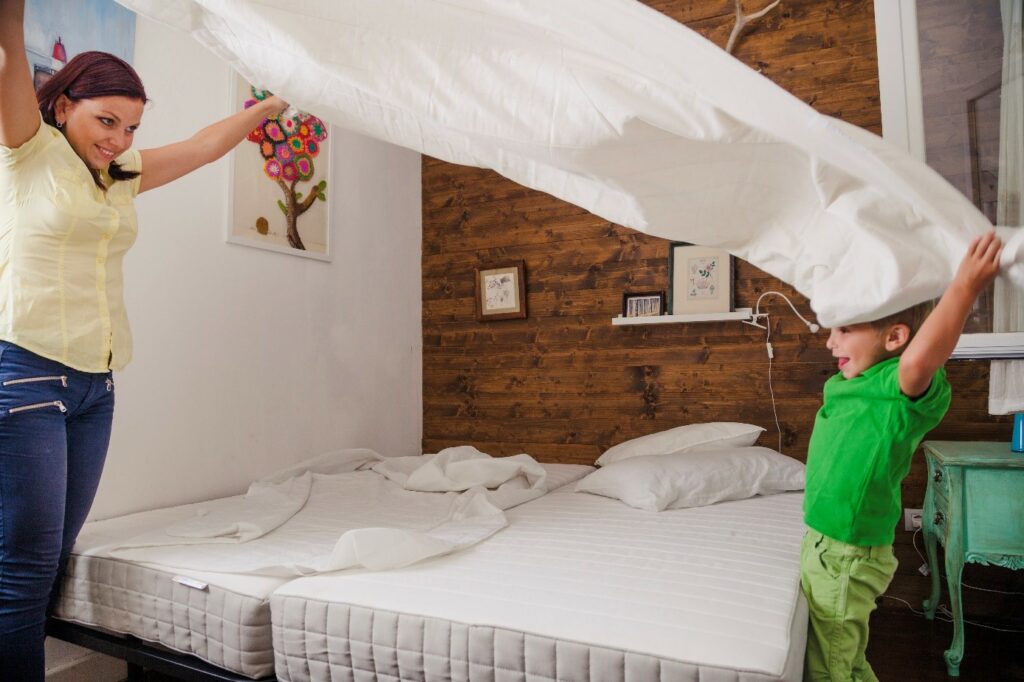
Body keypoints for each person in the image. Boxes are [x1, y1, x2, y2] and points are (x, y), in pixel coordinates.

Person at [0, 2, 287, 678]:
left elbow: (205, 145)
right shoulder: (26, 149)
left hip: (94, 390)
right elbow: (11, 51)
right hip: (25, 374)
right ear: (64, 105)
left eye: (130, 127)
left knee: (51, 560)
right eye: (107, 121)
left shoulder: (122, 175)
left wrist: (275, 103)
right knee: (24, 568)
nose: (119, 139)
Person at [801, 230, 1003, 681]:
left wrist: (964, 286)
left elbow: (919, 361)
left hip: (847, 550)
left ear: (894, 337)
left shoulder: (899, 389)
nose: (831, 342)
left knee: (828, 668)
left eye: (845, 330)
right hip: (824, 541)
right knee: (845, 659)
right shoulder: (850, 384)